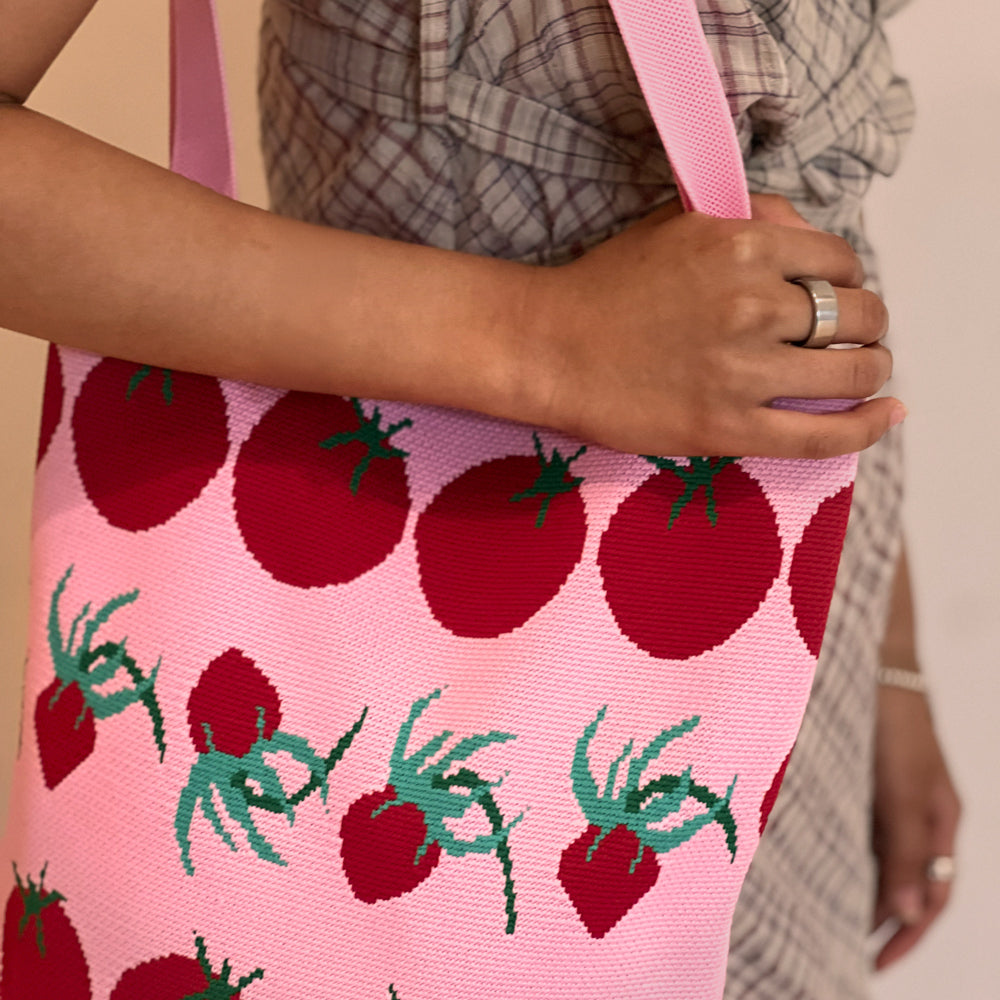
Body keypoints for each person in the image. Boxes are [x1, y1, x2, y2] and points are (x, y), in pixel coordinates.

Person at [0, 0, 959, 997]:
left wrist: (884, 652)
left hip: (784, 635)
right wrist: (543, 341)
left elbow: (772, 252)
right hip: (373, 644)